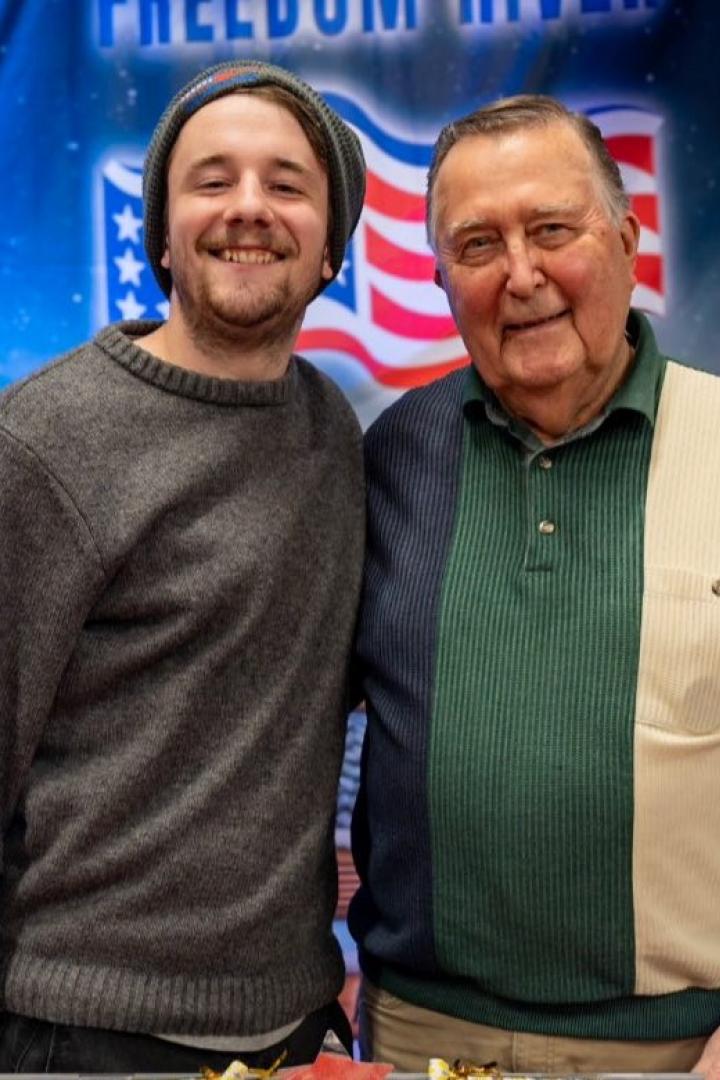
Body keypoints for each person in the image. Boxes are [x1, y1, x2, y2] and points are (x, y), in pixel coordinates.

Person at [0, 61, 366, 1072]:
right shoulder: (45, 442)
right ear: (160, 229)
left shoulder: (332, 431)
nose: (249, 208)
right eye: (211, 179)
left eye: (287, 183)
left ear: (331, 241)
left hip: (292, 1031)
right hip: (86, 1037)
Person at [349, 94, 720, 1077]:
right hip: (414, 1036)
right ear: (441, 280)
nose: (521, 275)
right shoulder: (395, 457)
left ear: (629, 242)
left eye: (552, 229)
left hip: (675, 1050)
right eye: (477, 246)